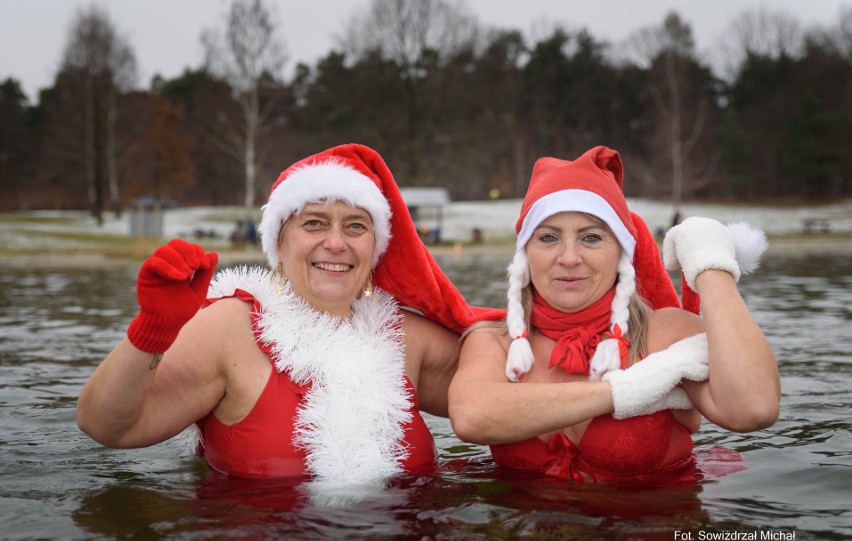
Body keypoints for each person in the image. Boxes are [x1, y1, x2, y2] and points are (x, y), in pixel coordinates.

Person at [77, 144, 499, 498]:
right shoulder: (229, 328)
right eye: (314, 223)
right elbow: (107, 426)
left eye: (356, 226)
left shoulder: (408, 336)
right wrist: (153, 330)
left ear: (376, 248)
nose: (335, 243)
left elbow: (515, 389)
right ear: (279, 242)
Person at [448, 146, 780, 485]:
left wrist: (712, 269)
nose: (569, 257)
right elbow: (470, 418)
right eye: (548, 237)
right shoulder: (494, 341)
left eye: (591, 238)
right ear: (524, 255)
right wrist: (633, 388)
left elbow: (754, 408)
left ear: (622, 253)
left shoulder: (663, 333)